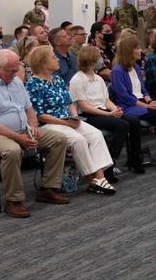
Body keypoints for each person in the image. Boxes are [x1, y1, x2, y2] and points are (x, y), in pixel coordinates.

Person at [0, 49, 70, 218]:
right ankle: (13, 201)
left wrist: (33, 126)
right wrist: (19, 138)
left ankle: (48, 188)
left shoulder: (15, 82)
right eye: (11, 71)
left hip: (21, 131)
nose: (15, 74)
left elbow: (29, 108)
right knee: (12, 150)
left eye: (17, 70)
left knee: (58, 139)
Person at [25, 46, 117, 195]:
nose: (57, 60)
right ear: (43, 63)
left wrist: (74, 117)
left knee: (95, 134)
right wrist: (65, 122)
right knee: (78, 139)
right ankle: (91, 178)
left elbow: (69, 102)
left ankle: (99, 177)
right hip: (49, 124)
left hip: (68, 120)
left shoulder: (57, 79)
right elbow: (39, 115)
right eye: (53, 57)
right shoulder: (33, 84)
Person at [69, 45, 146, 174]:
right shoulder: (77, 80)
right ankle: (109, 163)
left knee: (134, 122)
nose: (101, 60)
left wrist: (116, 110)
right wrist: (110, 114)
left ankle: (135, 159)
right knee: (122, 125)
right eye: (98, 57)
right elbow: (84, 106)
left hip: (104, 111)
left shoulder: (98, 78)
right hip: (89, 115)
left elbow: (106, 100)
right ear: (91, 60)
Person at [111, 35, 156, 167]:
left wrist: (150, 102)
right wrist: (146, 105)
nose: (141, 51)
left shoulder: (136, 68)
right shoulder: (117, 70)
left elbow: (144, 90)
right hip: (128, 106)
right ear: (129, 51)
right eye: (138, 48)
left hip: (142, 103)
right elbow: (124, 97)